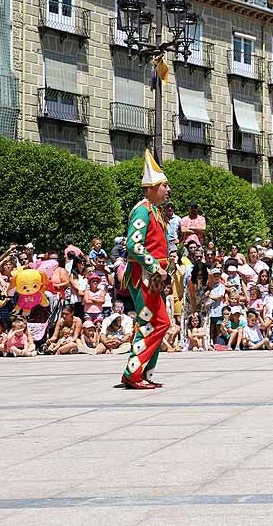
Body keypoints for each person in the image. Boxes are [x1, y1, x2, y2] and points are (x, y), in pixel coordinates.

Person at [120, 150, 173, 389]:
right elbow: (133, 244)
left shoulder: (154, 211)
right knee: (153, 323)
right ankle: (133, 373)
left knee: (159, 323)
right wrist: (156, 269)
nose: (168, 190)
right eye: (164, 185)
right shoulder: (142, 209)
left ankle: (144, 372)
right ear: (151, 187)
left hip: (152, 280)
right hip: (144, 278)